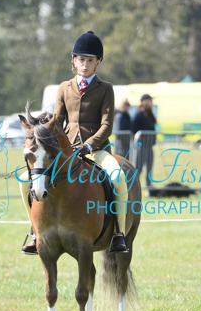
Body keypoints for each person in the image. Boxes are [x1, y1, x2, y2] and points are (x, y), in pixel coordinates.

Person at [21, 30, 128, 255]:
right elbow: (57, 121)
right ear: (74, 60)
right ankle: (35, 231)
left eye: (90, 61)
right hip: (66, 150)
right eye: (81, 60)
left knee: (118, 177)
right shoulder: (64, 87)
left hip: (97, 150)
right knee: (25, 180)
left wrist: (89, 144)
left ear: (97, 63)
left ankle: (118, 232)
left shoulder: (105, 89)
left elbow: (107, 125)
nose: (85, 65)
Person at [132, 93, 157, 189]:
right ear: (143, 102)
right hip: (141, 146)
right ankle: (135, 187)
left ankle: (149, 187)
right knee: (138, 169)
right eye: (149, 100)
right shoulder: (138, 114)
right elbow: (133, 129)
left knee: (149, 169)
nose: (151, 102)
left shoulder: (150, 114)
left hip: (149, 146)